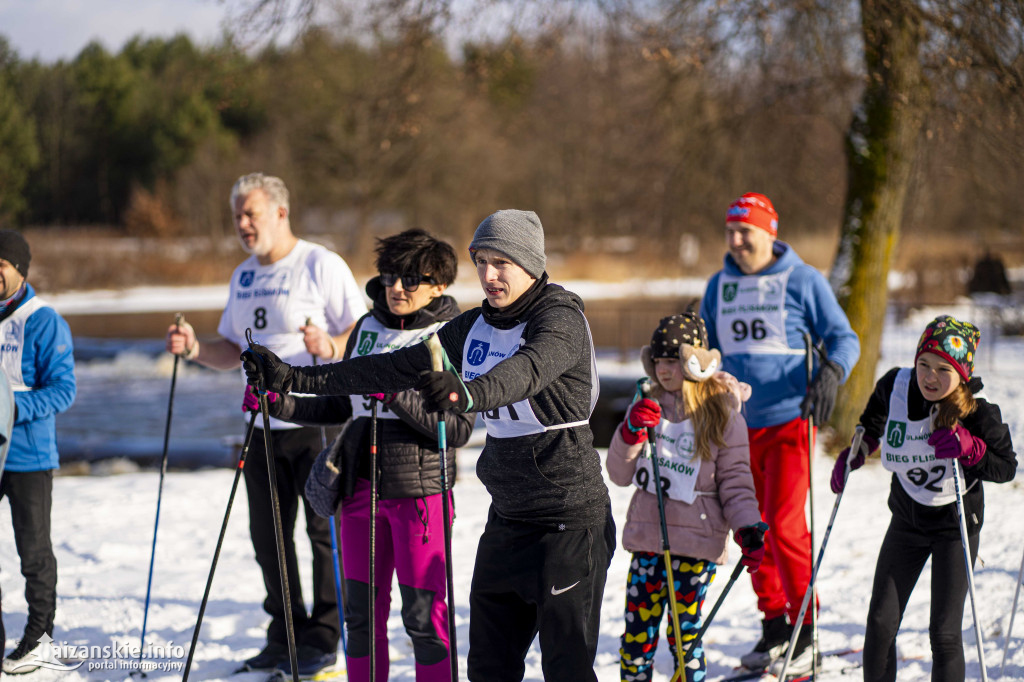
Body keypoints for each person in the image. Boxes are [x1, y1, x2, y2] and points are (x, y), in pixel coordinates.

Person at [241, 209, 616, 681]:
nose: (488, 275)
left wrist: (467, 392)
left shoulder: (560, 318)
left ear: (531, 264)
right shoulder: (475, 325)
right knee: (487, 667)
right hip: (507, 519)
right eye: (481, 261)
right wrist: (295, 377)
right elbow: (388, 368)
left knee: (566, 667)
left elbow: (528, 370)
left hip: (569, 522)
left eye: (502, 263)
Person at [245, 228, 475, 681]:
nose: (396, 288)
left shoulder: (448, 336)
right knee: (360, 619)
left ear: (439, 285)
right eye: (390, 277)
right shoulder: (367, 328)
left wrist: (394, 395)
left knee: (423, 620)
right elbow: (337, 403)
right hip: (357, 492)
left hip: (419, 497)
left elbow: (459, 428)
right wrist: (277, 403)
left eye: (411, 279)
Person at [165, 173, 367, 676]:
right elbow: (231, 348)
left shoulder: (320, 265)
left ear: (280, 213)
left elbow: (363, 337)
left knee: (323, 535)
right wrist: (192, 349)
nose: (242, 224)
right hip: (260, 423)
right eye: (237, 215)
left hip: (315, 419)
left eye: (250, 213)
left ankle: (323, 637)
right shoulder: (242, 276)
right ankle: (284, 634)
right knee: (267, 536)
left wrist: (332, 347)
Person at [699, 192, 860, 675]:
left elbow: (844, 337)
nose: (736, 241)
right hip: (734, 426)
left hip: (790, 420)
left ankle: (805, 630)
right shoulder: (719, 284)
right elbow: (703, 348)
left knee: (787, 524)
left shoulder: (803, 279)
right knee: (751, 527)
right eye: (730, 231)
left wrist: (833, 370)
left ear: (770, 232)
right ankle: (774, 625)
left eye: (745, 231)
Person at [831, 315, 1016, 682]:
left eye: (943, 369)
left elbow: (1006, 468)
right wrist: (856, 451)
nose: (930, 377)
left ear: (962, 374)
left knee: (944, 633)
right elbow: (871, 425)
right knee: (881, 621)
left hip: (955, 526)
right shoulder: (894, 386)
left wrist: (971, 448)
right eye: (924, 364)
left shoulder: (977, 413)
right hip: (907, 520)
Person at [606, 312, 766, 682]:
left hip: (696, 545)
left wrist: (748, 528)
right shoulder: (647, 405)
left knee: (685, 638)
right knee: (635, 642)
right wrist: (630, 431)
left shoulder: (722, 413)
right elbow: (618, 474)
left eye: (672, 361)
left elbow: (736, 482)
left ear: (695, 362)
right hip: (648, 541)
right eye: (658, 360)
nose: (663, 370)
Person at [0, 230, 77, 675]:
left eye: (0, 265)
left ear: (19, 269)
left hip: (29, 457)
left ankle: (39, 637)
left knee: (33, 553)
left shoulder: (44, 320)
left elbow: (63, 391)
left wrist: (7, 408)